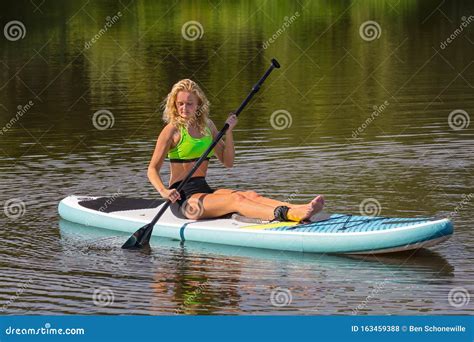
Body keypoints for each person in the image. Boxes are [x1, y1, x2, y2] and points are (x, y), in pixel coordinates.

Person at [147, 79, 324, 222]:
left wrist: (229, 133)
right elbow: (152, 169)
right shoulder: (171, 130)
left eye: (189, 104)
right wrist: (164, 191)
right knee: (236, 200)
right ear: (174, 105)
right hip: (183, 199)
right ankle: (287, 214)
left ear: (199, 104)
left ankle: (298, 208)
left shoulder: (207, 127)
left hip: (204, 189)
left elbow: (228, 162)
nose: (184, 108)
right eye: (180, 104)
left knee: (249, 195)